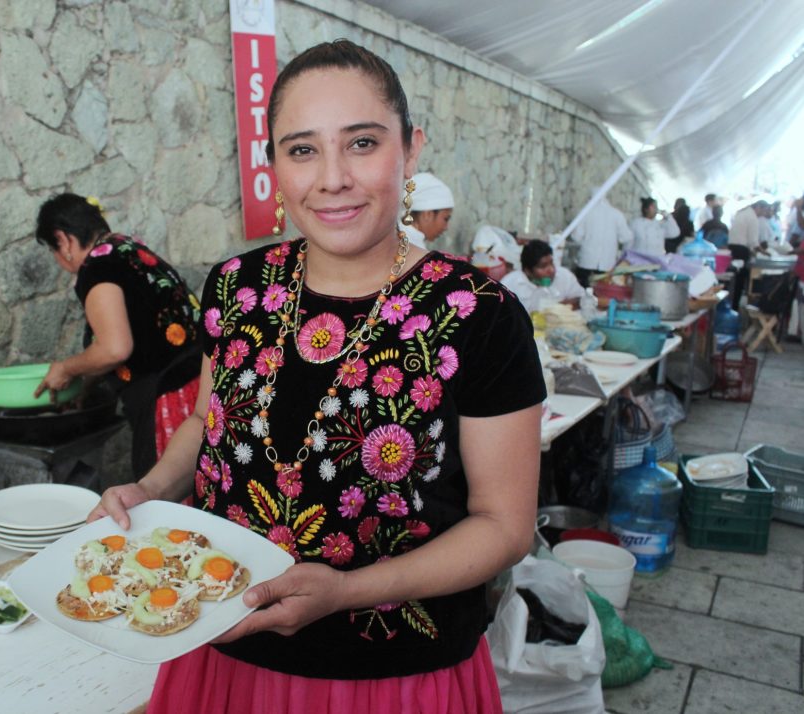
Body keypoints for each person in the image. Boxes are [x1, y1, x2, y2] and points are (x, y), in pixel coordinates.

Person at [89, 39, 544, 713]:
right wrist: (150, 487)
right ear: (272, 164)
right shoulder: (236, 287)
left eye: (362, 143)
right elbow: (203, 422)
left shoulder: (481, 316)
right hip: (223, 646)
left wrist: (347, 590)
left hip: (395, 677)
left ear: (410, 149)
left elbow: (504, 526)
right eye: (302, 149)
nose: (332, 177)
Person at [34, 194, 202, 478]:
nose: (57, 259)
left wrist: (65, 368)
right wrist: (85, 383)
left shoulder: (97, 268)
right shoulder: (127, 248)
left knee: (167, 506)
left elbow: (115, 348)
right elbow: (137, 330)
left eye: (53, 250)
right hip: (203, 390)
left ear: (63, 240)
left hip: (170, 404)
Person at [571, 188, 633, 287]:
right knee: (602, 292)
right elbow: (626, 237)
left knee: (583, 292)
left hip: (586, 261)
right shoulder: (616, 214)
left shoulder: (584, 213)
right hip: (608, 263)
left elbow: (576, 237)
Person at [501, 240, 585, 313]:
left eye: (551, 263)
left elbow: (583, 299)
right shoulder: (510, 285)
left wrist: (561, 307)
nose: (551, 270)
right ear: (527, 271)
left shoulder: (565, 276)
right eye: (543, 266)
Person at [728, 200, 772, 308]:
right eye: (764, 210)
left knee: (733, 280)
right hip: (741, 250)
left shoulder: (741, 213)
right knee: (739, 281)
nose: (764, 213)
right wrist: (765, 253)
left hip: (732, 249)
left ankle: (732, 305)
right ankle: (735, 307)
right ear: (758, 207)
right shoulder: (752, 217)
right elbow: (753, 242)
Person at [399, 171, 454, 250]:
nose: (446, 227)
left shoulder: (404, 237)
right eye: (446, 219)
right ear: (427, 214)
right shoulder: (411, 247)